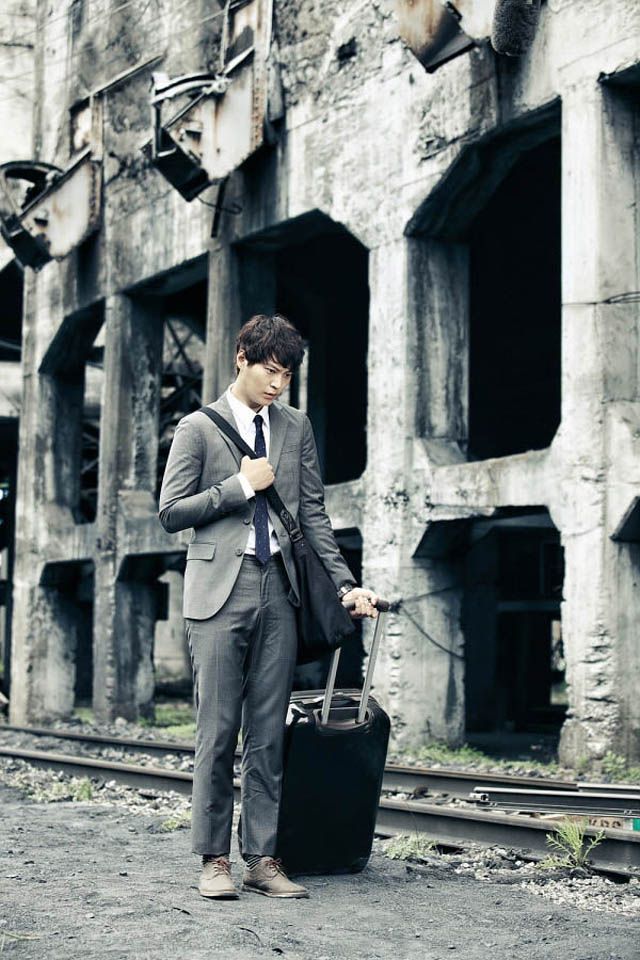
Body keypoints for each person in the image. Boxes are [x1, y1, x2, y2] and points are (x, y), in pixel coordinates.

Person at [158, 313, 378, 900]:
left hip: (279, 590)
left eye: (286, 374)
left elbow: (313, 517)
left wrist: (344, 586)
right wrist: (238, 488)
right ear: (242, 359)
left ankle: (261, 858)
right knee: (217, 730)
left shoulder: (295, 427)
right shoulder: (197, 428)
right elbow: (171, 510)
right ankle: (213, 861)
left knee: (269, 732)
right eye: (270, 371)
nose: (278, 384)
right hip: (217, 595)